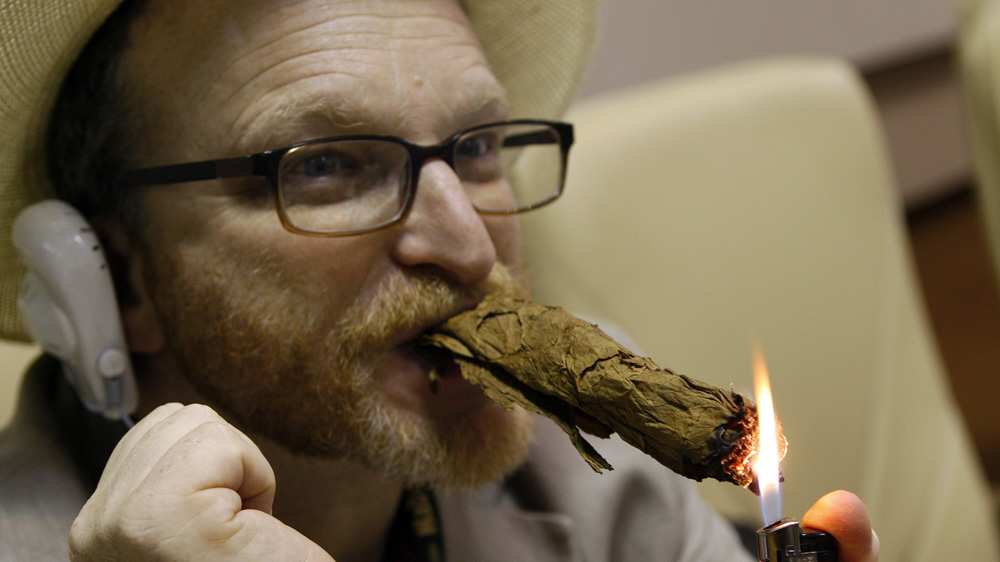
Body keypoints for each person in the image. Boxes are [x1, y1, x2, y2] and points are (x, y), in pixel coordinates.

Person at [0, 0, 880, 560]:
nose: (466, 245)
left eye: (477, 146)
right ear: (121, 277)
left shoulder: (588, 467)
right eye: (324, 165)